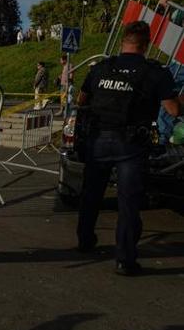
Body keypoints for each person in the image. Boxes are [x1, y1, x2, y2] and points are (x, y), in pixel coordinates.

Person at [76, 21, 180, 275]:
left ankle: (85, 239)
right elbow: (173, 109)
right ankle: (124, 258)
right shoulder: (155, 72)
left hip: (98, 139)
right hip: (130, 145)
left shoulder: (101, 68)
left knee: (91, 193)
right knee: (128, 202)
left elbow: (81, 100)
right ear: (146, 44)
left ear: (123, 41)